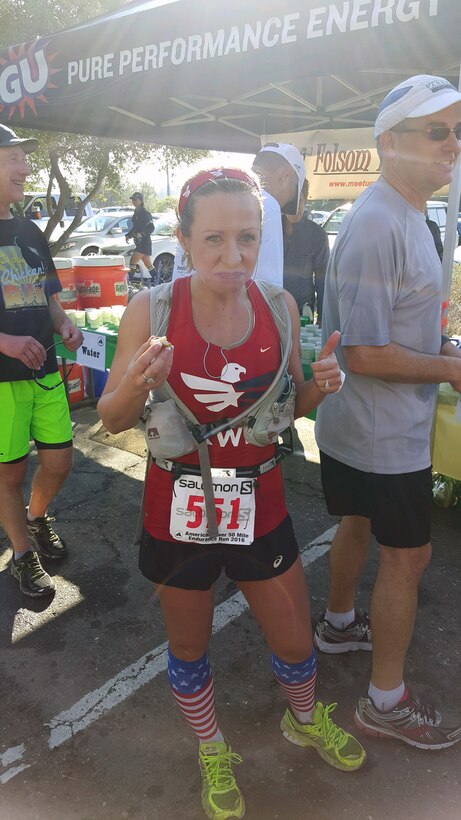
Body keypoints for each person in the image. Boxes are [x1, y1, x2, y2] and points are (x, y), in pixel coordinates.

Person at [98, 167, 366, 820]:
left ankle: (302, 719)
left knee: (296, 641)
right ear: (185, 239)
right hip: (175, 505)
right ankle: (211, 745)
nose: (233, 256)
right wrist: (135, 382)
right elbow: (110, 417)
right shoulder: (151, 310)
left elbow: (287, 411)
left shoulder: (276, 306)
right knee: (189, 647)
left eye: (246, 238)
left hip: (260, 501)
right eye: (214, 239)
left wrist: (320, 385)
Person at [314, 75, 461, 749]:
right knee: (409, 558)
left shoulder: (401, 215)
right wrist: (450, 367)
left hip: (361, 428)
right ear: (389, 143)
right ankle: (384, 701)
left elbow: (386, 333)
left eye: (456, 132)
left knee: (356, 521)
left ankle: (339, 624)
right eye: (438, 131)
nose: (452, 145)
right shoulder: (378, 222)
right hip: (382, 435)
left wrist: (440, 344)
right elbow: (365, 353)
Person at [0, 123, 83, 598]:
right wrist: (5, 342)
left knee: (60, 461)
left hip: (45, 371)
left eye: (24, 158)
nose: (25, 168)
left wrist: (64, 323)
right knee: (9, 473)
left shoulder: (30, 229)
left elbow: (47, 296)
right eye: (12, 158)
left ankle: (36, 517)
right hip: (3, 381)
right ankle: (21, 554)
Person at [252, 142, 305, 285]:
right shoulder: (268, 204)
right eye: (294, 188)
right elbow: (270, 288)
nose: (288, 201)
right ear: (285, 176)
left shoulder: (223, 191)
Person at [283, 179, 329, 324]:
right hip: (272, 309)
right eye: (291, 201)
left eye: (300, 200)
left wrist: (321, 320)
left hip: (303, 313)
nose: (296, 207)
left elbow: (323, 282)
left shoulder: (317, 235)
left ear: (306, 199)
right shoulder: (269, 230)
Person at [126, 191, 156, 281]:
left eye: (135, 199)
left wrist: (141, 234)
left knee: (132, 262)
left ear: (141, 201)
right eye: (132, 199)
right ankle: (158, 281)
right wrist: (128, 235)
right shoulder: (136, 213)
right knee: (148, 265)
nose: (133, 201)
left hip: (144, 243)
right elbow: (135, 227)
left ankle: (129, 283)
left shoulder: (145, 213)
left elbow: (151, 228)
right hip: (139, 243)